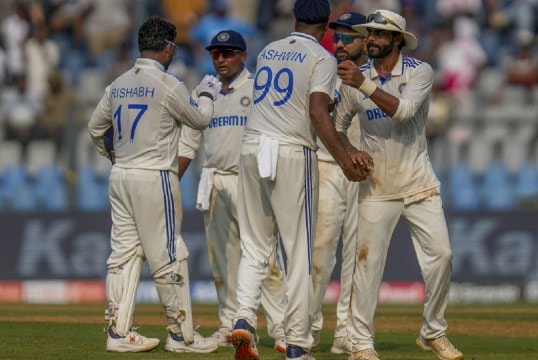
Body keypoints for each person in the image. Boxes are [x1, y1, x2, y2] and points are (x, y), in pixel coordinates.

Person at [228, 0, 373, 359]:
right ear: (326, 27)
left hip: (250, 147)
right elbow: (317, 112)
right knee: (299, 254)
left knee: (255, 246)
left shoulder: (268, 50)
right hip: (291, 150)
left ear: (293, 19)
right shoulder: (322, 58)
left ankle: (244, 319)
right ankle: (296, 344)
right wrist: (343, 160)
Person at [334, 9, 464, 360]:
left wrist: (363, 85)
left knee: (442, 257)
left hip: (418, 181)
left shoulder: (419, 71)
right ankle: (361, 343)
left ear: (396, 40)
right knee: (368, 265)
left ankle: (433, 332)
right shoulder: (354, 79)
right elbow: (338, 126)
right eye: (369, 33)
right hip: (376, 184)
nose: (371, 39)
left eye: (378, 34)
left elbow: (404, 111)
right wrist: (349, 154)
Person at [87, 16, 221, 353]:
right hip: (154, 176)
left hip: (121, 176)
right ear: (168, 47)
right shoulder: (168, 84)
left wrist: (112, 154)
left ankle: (118, 333)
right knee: (169, 254)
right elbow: (200, 119)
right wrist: (205, 94)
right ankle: (181, 336)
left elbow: (94, 127)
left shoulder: (117, 84)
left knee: (123, 256)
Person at [177, 29, 288, 353]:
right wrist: (173, 180)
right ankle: (230, 327)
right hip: (214, 180)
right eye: (216, 53)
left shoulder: (257, 88)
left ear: (243, 55)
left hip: (250, 181)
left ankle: (281, 329)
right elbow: (190, 139)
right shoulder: (204, 90)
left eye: (228, 53)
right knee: (222, 261)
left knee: (264, 258)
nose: (221, 59)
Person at [309, 10, 367, 355]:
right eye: (337, 37)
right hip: (327, 167)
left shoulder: (374, 77)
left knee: (360, 259)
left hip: (365, 175)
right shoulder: (323, 68)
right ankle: (307, 328)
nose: (340, 43)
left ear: (365, 40)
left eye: (348, 37)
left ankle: (346, 332)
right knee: (320, 254)